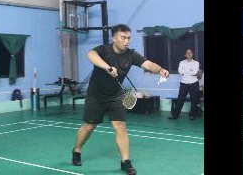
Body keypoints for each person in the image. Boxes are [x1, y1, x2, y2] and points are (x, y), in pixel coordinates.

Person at [72, 24, 170, 171]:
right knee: (89, 126)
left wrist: (160, 70)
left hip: (116, 95)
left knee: (120, 126)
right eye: (123, 38)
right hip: (96, 95)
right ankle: (77, 150)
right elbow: (90, 54)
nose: (126, 41)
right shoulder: (104, 50)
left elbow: (148, 64)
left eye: (128, 38)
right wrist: (107, 67)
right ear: (114, 38)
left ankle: (125, 161)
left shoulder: (131, 54)